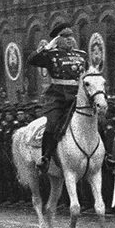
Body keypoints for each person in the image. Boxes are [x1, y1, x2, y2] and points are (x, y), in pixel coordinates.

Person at [27, 23, 88, 169]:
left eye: (71, 36)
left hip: (77, 96)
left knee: (97, 120)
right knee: (52, 123)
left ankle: (105, 157)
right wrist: (48, 47)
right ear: (57, 40)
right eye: (65, 36)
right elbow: (32, 60)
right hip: (58, 97)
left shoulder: (82, 54)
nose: (69, 39)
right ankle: (46, 157)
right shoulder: (51, 55)